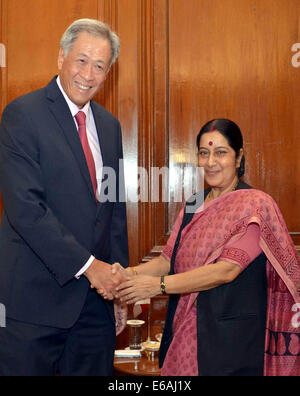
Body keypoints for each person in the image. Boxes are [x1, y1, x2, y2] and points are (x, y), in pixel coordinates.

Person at [110, 118, 300, 376]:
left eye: (221, 153)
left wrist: (158, 286)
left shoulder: (255, 206)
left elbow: (225, 271)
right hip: (186, 330)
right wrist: (128, 274)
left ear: (238, 157)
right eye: (204, 153)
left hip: (231, 342)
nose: (211, 162)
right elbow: (168, 260)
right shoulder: (193, 204)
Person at [0, 19, 129, 376]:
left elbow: (114, 210)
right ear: (61, 58)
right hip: (33, 308)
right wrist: (91, 269)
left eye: (100, 65)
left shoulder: (110, 126)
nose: (89, 74)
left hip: (94, 310)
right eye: (82, 60)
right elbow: (26, 210)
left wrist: (118, 286)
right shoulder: (22, 115)